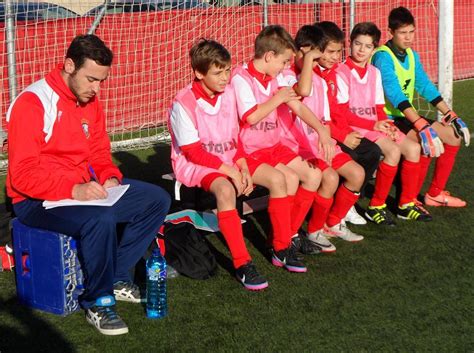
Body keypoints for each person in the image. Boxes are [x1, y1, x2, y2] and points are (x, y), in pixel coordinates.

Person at [6, 34, 171, 336]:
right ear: (69, 65)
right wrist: (73, 190)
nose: (97, 89)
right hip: (36, 200)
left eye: (101, 81)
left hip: (84, 190)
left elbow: (98, 151)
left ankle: (118, 276)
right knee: (101, 218)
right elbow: (22, 176)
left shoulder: (89, 100)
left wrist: (109, 176)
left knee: (156, 199)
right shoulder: (32, 103)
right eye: (92, 79)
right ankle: (98, 301)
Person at [169, 39, 300, 288]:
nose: (225, 78)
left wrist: (243, 166)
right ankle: (242, 264)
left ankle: (281, 247)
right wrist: (231, 170)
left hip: (228, 159)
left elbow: (236, 137)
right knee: (226, 190)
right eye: (218, 73)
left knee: (279, 180)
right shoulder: (182, 102)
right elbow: (193, 152)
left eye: (227, 70)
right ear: (198, 73)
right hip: (197, 165)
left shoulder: (229, 93)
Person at [231, 25, 335, 272]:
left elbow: (298, 104)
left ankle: (285, 236)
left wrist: (321, 130)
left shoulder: (276, 76)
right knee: (283, 179)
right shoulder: (240, 77)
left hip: (273, 146)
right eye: (284, 61)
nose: (286, 66)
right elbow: (252, 117)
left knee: (313, 174)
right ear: (269, 56)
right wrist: (277, 99)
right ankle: (281, 248)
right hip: (247, 151)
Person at [372, 7, 470, 208]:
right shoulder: (383, 56)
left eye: (411, 32)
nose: (408, 38)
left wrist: (449, 114)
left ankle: (434, 194)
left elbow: (424, 84)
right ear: (391, 32)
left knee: (453, 136)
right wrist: (420, 123)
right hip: (388, 118)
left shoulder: (412, 55)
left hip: (407, 117)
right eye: (402, 33)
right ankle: (410, 198)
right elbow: (393, 93)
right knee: (427, 142)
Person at [337, 22, 431, 225]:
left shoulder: (374, 73)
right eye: (357, 44)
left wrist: (384, 122)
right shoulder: (341, 72)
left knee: (414, 148)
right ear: (350, 44)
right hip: (356, 127)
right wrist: (374, 125)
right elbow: (343, 114)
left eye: (367, 46)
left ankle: (405, 205)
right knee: (393, 151)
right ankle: (376, 206)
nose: (361, 50)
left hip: (374, 125)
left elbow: (379, 105)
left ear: (374, 48)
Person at [282, 24, 366, 251]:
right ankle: (305, 231)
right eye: (317, 54)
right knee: (328, 177)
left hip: (319, 143)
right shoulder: (287, 76)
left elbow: (325, 120)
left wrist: (329, 141)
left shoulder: (319, 82)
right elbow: (302, 92)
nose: (320, 59)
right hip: (298, 146)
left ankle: (331, 223)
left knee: (357, 173)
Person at [312, 21, 383, 214]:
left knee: (372, 152)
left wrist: (347, 132)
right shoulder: (313, 76)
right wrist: (343, 136)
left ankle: (348, 200)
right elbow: (317, 118)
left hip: (334, 131)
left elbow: (337, 112)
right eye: (330, 52)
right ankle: (338, 205)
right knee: (352, 156)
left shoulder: (333, 73)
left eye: (337, 52)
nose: (335, 57)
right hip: (319, 136)